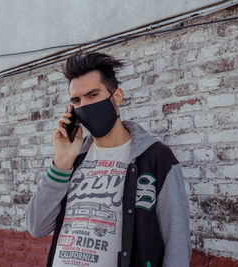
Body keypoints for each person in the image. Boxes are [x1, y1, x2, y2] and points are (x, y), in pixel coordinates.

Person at [26, 51, 191, 267]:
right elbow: (36, 227)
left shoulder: (155, 159)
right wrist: (62, 161)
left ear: (117, 97)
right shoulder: (72, 161)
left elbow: (177, 242)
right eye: (76, 100)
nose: (84, 105)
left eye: (93, 95)